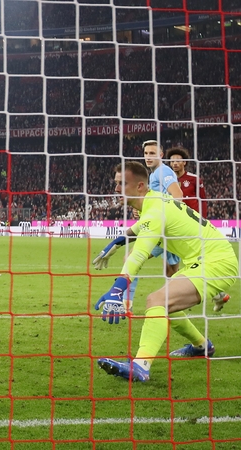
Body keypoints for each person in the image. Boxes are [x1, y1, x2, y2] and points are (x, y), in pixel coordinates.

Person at [93, 161, 237, 382]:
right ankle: (202, 346)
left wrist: (117, 289)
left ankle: (140, 366)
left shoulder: (154, 212)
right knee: (167, 305)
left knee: (157, 300)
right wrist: (118, 241)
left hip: (216, 262)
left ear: (140, 186)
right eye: (116, 183)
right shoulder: (156, 201)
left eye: (123, 184)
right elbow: (139, 228)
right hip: (206, 260)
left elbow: (139, 255)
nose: (116, 188)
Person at [166, 146, 231, 309]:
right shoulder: (167, 181)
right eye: (172, 161)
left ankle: (173, 298)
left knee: (182, 263)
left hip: (193, 226)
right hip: (175, 226)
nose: (174, 163)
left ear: (185, 162)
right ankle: (217, 294)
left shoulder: (194, 179)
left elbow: (203, 200)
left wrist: (204, 221)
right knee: (180, 263)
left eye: (178, 160)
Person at [124, 140, 184, 310]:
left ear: (161, 155)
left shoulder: (163, 171)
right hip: (169, 229)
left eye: (152, 153)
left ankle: (126, 304)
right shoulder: (154, 174)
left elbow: (178, 196)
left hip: (163, 228)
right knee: (171, 272)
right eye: (146, 153)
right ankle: (217, 294)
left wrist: (158, 215)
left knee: (131, 258)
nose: (148, 157)